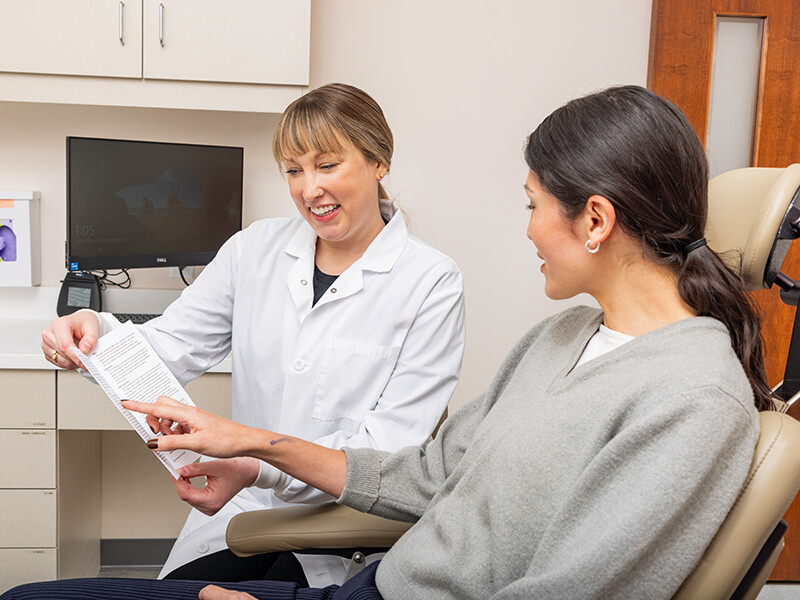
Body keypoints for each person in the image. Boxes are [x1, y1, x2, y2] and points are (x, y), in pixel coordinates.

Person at [12, 85, 773, 600]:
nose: (527, 228)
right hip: (377, 576)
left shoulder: (691, 400)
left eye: (532, 205)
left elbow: (575, 585)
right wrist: (105, 342)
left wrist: (257, 455)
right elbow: (431, 472)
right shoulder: (566, 335)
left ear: (596, 220)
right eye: (294, 170)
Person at [38, 83, 466, 585]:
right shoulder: (253, 250)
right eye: (293, 170)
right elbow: (169, 347)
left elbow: (387, 459)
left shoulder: (430, 282)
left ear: (379, 162)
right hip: (242, 509)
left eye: (327, 165)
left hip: (340, 529)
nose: (309, 190)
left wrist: (258, 464)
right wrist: (95, 338)